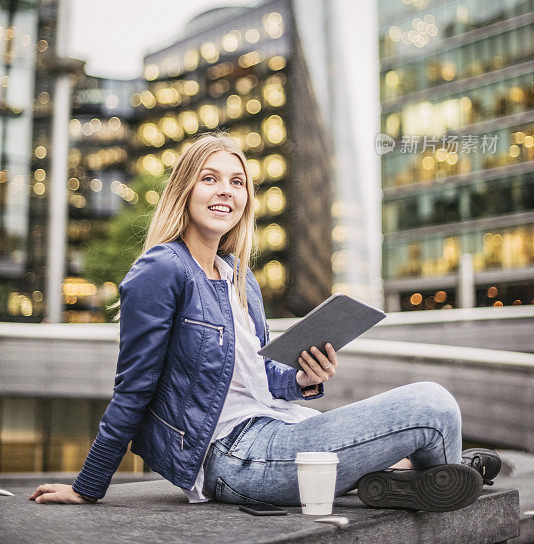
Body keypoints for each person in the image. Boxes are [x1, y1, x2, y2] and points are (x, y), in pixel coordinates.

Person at [30, 132, 501, 512]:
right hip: (237, 456)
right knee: (432, 405)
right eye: (210, 179)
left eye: (237, 183)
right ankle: (445, 476)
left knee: (423, 428)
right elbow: (133, 387)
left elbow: (258, 375)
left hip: (280, 425)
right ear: (184, 189)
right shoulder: (162, 270)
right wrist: (88, 486)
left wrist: (302, 376)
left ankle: (416, 484)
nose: (225, 192)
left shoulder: (240, 276)